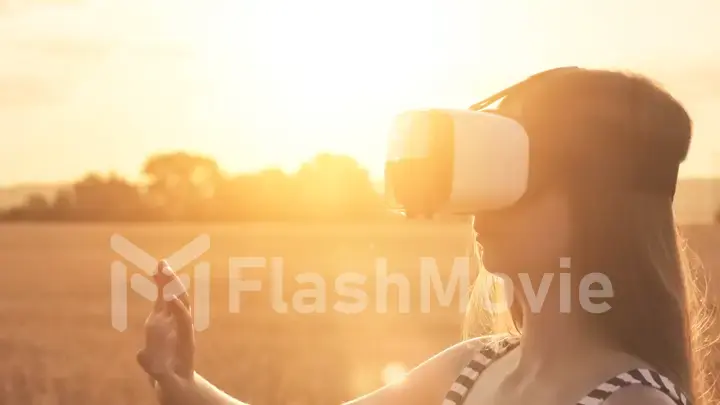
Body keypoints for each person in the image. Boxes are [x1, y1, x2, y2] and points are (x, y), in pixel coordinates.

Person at [136, 68, 716, 405]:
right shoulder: (470, 369)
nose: (482, 204)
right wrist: (180, 381)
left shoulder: (631, 402)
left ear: (599, 203)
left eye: (516, 174)